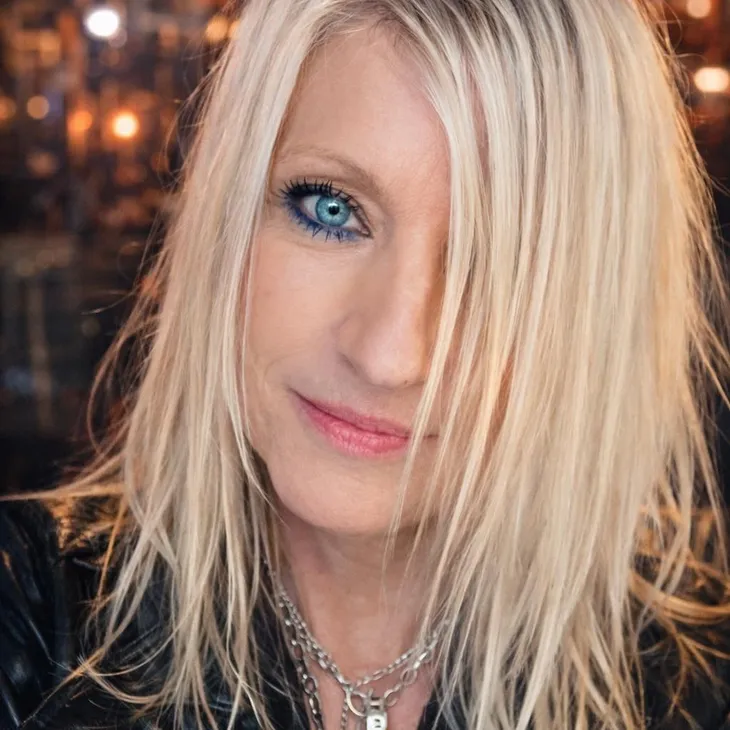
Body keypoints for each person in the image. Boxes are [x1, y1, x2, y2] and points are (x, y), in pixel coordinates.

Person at [2, 0, 730, 728]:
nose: (390, 357)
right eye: (330, 209)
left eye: (503, 262)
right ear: (228, 215)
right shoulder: (29, 619)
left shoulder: (701, 676)